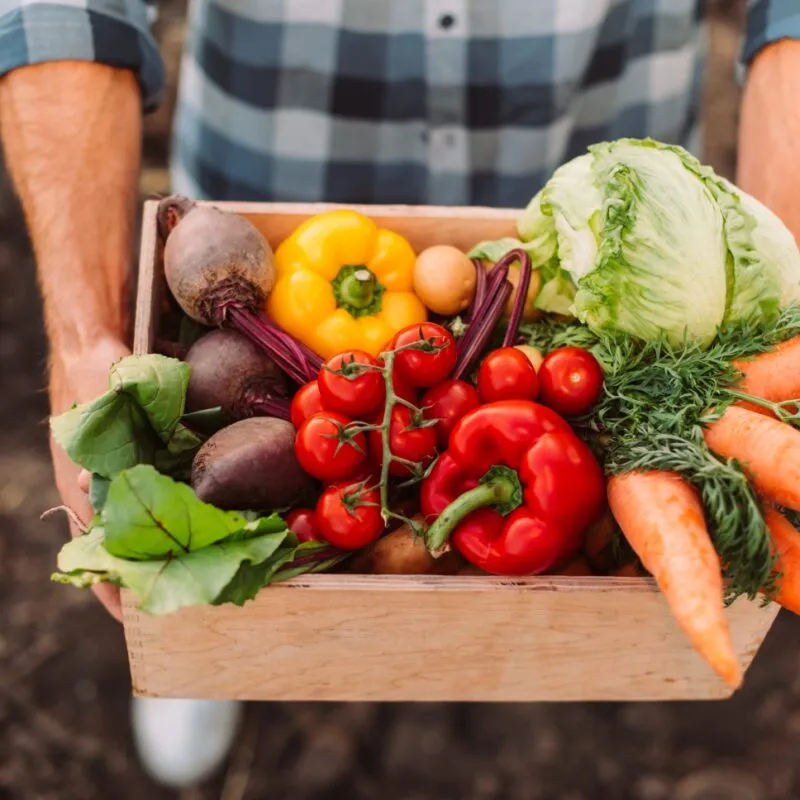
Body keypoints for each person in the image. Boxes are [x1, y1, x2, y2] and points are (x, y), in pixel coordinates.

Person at [1, 0, 798, 789]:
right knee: (236, 573)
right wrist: (83, 337)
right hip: (257, 215)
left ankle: (552, 647)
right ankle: (217, 637)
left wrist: (780, 312)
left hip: (618, 239)